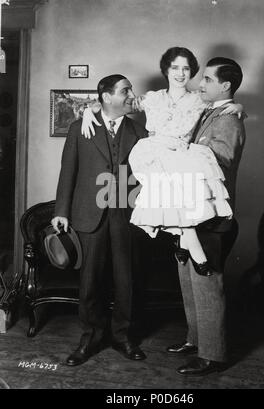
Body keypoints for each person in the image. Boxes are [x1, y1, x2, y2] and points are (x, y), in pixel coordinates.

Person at [82, 47, 243, 276]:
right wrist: (90, 109)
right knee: (168, 199)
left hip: (181, 156)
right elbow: (115, 104)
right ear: (166, 70)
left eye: (186, 68)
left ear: (192, 72)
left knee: (180, 198)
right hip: (153, 155)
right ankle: (188, 241)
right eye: (175, 67)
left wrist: (240, 107)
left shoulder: (200, 99)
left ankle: (185, 240)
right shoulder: (152, 98)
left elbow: (222, 106)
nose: (180, 73)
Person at [52, 74, 148, 366]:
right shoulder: (79, 128)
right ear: (106, 97)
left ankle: (123, 336)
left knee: (126, 280)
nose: (131, 94)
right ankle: (91, 337)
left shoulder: (140, 132)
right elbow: (68, 170)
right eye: (125, 90)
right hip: (87, 214)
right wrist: (61, 211)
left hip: (126, 214)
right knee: (90, 281)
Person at [167, 57, 246, 376]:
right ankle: (196, 340)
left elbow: (221, 160)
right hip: (190, 212)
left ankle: (213, 355)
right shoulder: (212, 112)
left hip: (210, 215)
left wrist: (176, 155)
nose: (201, 84)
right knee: (189, 279)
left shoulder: (228, 118)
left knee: (207, 282)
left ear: (226, 86)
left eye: (208, 80)